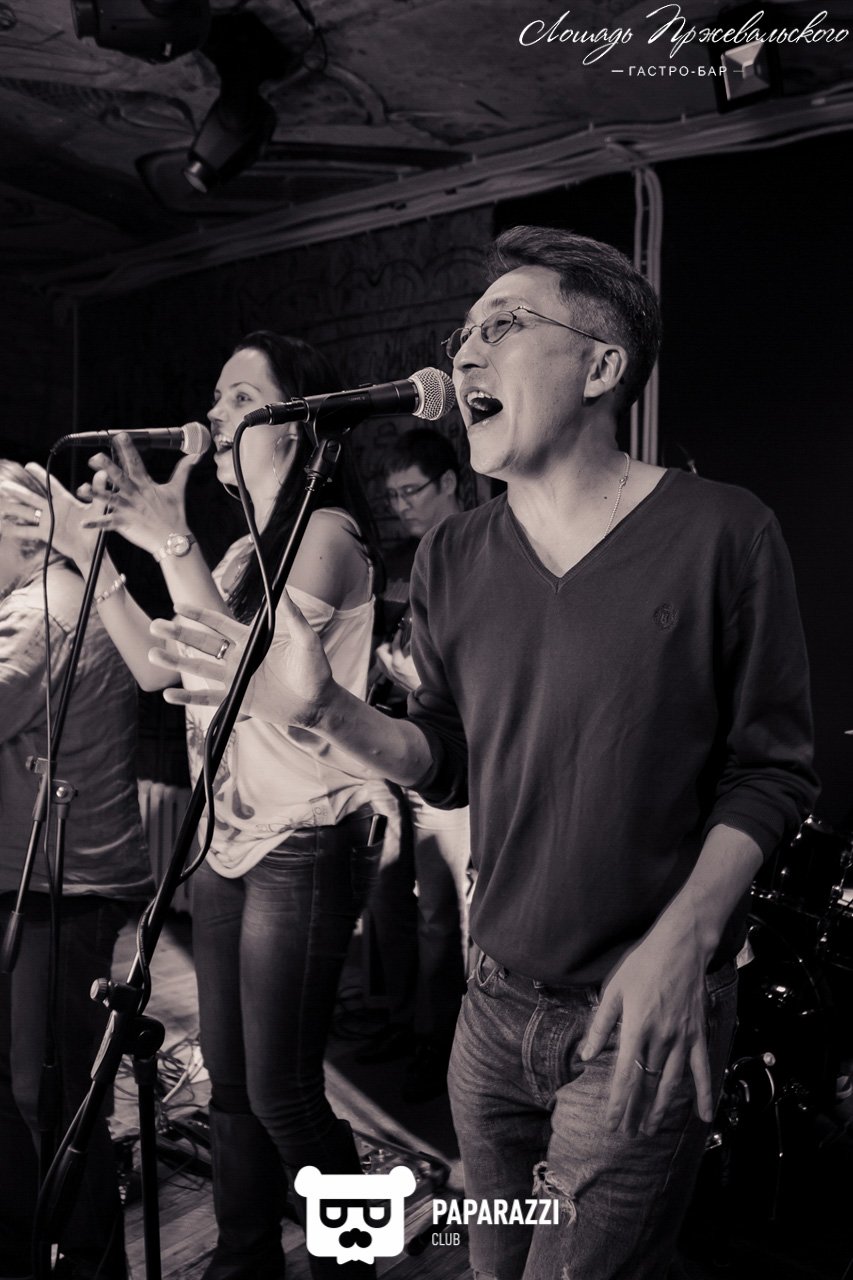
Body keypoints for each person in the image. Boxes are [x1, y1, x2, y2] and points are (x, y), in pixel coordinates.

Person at [146, 230, 818, 1280]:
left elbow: (772, 770)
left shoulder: (722, 531)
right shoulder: (455, 555)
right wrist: (327, 710)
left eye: (504, 325)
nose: (464, 354)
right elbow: (449, 758)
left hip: (637, 1016)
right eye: (462, 334)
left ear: (601, 366)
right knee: (491, 1260)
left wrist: (683, 945)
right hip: (494, 1011)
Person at [7, 333, 392, 1280]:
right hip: (224, 840)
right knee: (229, 1085)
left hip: (304, 839)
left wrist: (167, 539)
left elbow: (251, 671)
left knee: (285, 1091)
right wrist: (90, 547)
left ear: (298, 427)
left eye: (241, 397)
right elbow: (157, 665)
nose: (216, 413)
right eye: (217, 394)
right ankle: (243, 1258)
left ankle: (356, 1263)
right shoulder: (238, 554)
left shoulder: (328, 536)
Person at [0, 460, 151, 1280]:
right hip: (53, 879)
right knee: (37, 1091)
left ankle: (87, 1263)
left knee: (49, 1097)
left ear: (29, 536)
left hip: (62, 885)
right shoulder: (46, 599)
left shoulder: (43, 612)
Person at [361, 428, 473, 1103]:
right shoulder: (401, 561)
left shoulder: (478, 549)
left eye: (411, 492)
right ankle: (400, 1021)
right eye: (393, 496)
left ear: (449, 483)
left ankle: (441, 1041)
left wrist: (418, 681)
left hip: (444, 758)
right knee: (386, 898)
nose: (400, 506)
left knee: (440, 911)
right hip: (388, 744)